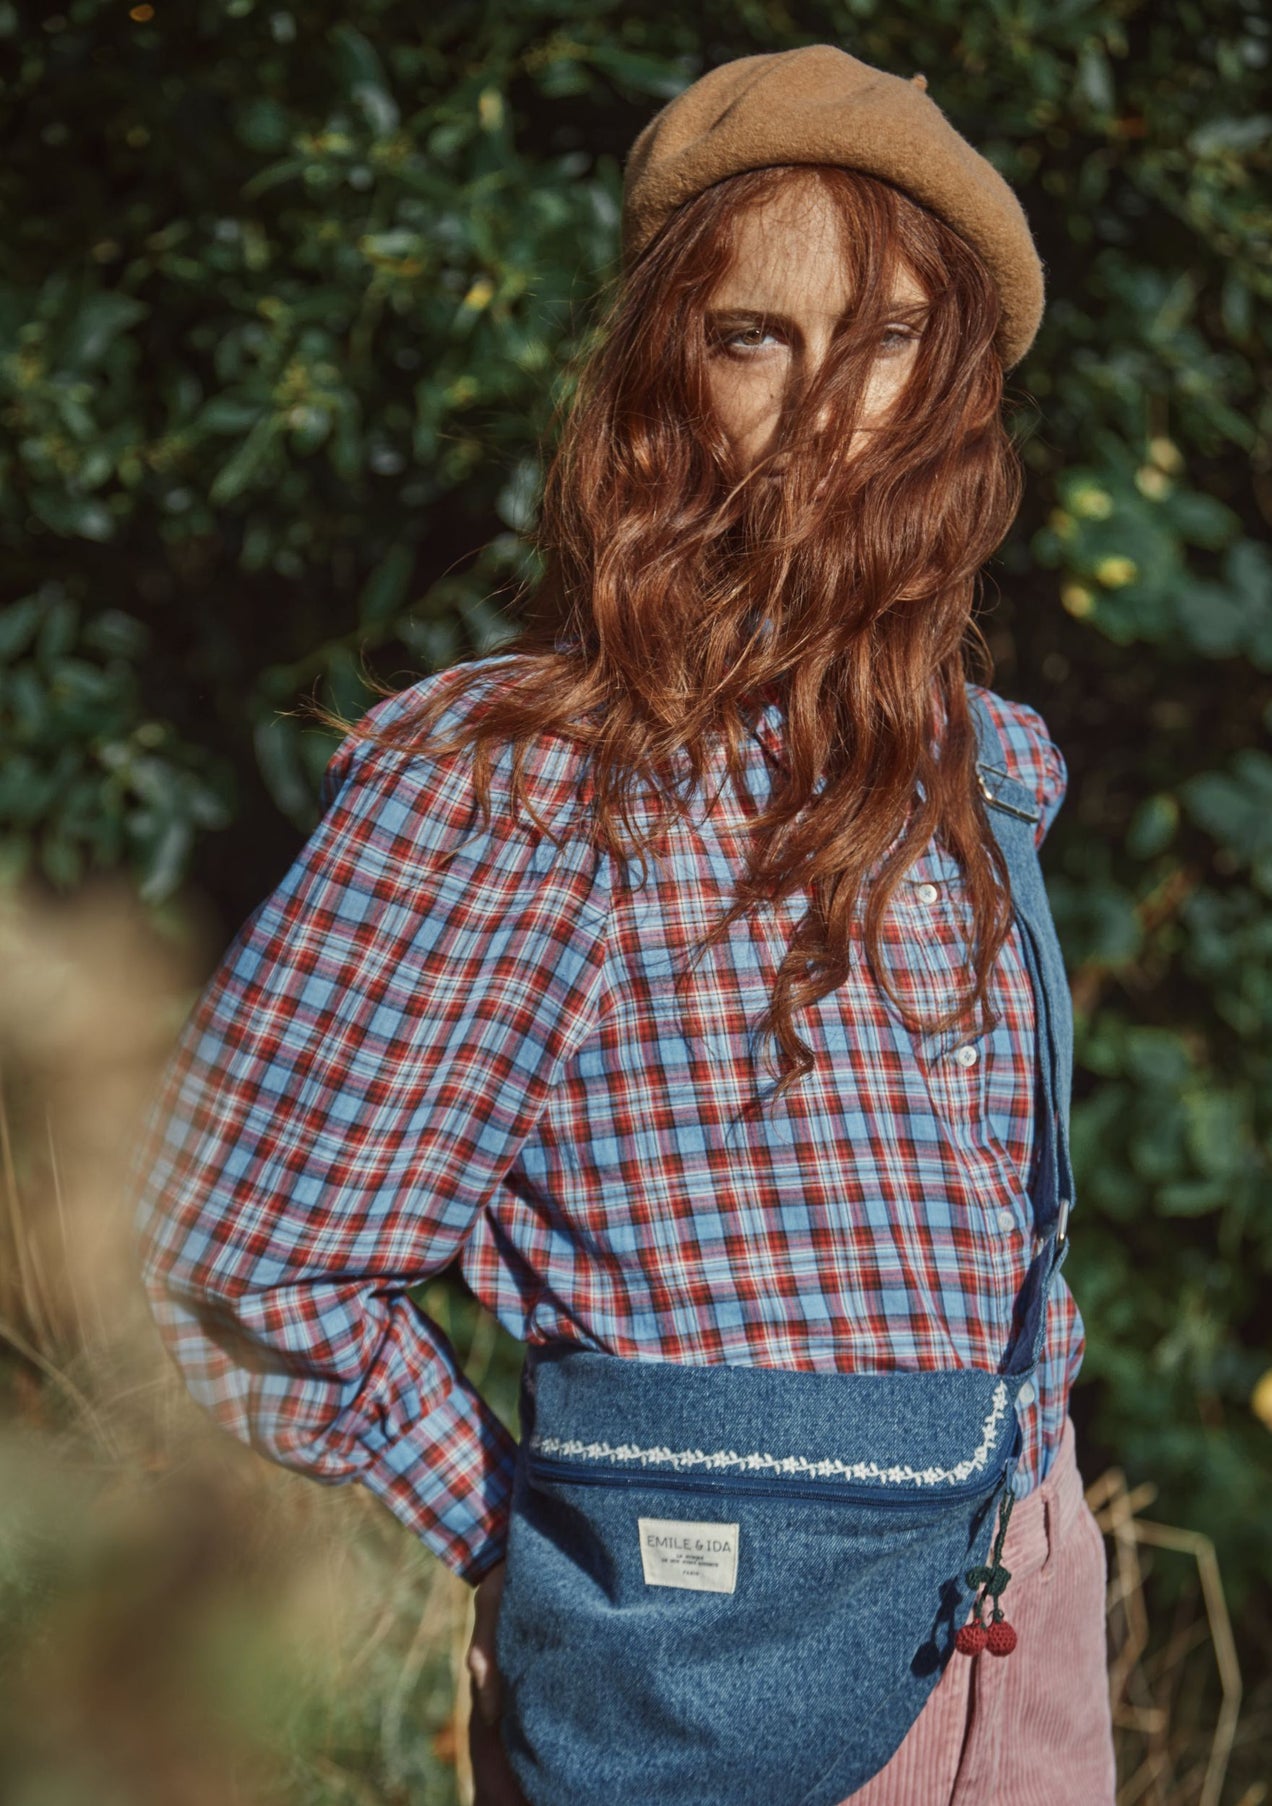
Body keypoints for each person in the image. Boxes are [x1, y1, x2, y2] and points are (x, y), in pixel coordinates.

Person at [128, 42, 1114, 1806]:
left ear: (961, 386)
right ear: (672, 376)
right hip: (702, 1672)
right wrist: (515, 1535)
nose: (829, 408)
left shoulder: (993, 776)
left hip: (1025, 1611)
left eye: (888, 341)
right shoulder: (519, 786)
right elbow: (241, 1253)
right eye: (758, 338)